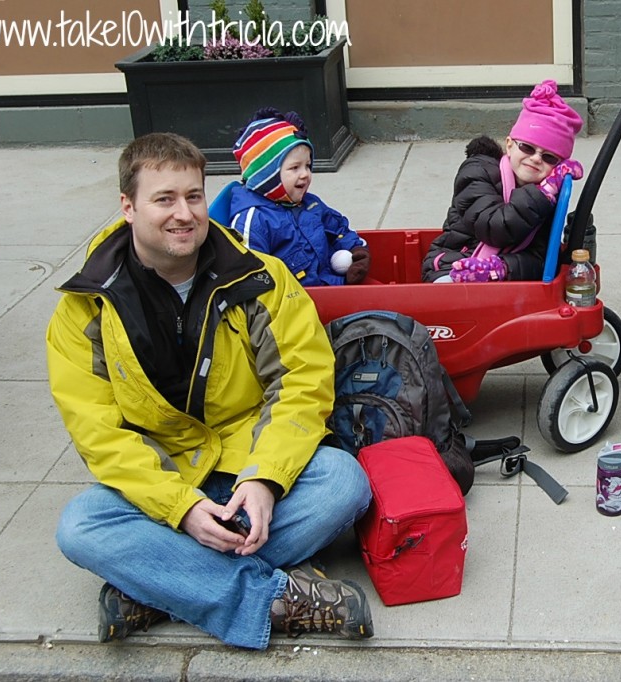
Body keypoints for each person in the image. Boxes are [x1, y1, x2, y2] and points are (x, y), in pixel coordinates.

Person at [47, 132, 375, 649]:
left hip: (251, 467)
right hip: (164, 477)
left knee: (343, 483)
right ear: (128, 207)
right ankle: (271, 598)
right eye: (164, 199)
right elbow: (98, 433)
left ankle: (159, 583)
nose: (184, 213)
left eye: (194, 196)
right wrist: (179, 508)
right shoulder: (84, 309)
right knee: (81, 526)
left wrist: (266, 479)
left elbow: (303, 385)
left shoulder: (262, 278)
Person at [421, 80, 584, 283]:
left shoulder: (545, 196)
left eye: (549, 157)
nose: (535, 158)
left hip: (498, 279)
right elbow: (494, 228)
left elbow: (539, 259)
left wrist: (503, 267)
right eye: (527, 147)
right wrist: (543, 193)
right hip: (451, 267)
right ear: (509, 145)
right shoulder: (477, 171)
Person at [229, 108, 370, 286]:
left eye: (308, 166)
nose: (305, 174)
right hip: (296, 304)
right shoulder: (253, 221)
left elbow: (339, 228)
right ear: (266, 174)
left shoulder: (309, 204)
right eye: (295, 168)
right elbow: (250, 277)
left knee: (388, 301)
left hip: (333, 284)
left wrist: (356, 250)